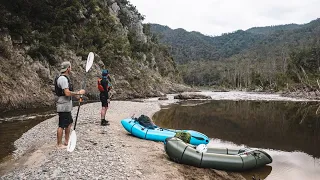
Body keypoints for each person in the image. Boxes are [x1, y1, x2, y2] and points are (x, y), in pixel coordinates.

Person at [54, 61, 86, 148]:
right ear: (68, 68)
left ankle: (66, 141)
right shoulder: (63, 79)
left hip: (66, 105)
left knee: (69, 123)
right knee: (62, 125)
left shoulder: (64, 78)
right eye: (70, 67)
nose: (71, 69)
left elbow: (68, 93)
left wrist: (77, 96)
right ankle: (59, 144)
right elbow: (67, 93)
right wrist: (79, 93)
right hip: (63, 105)